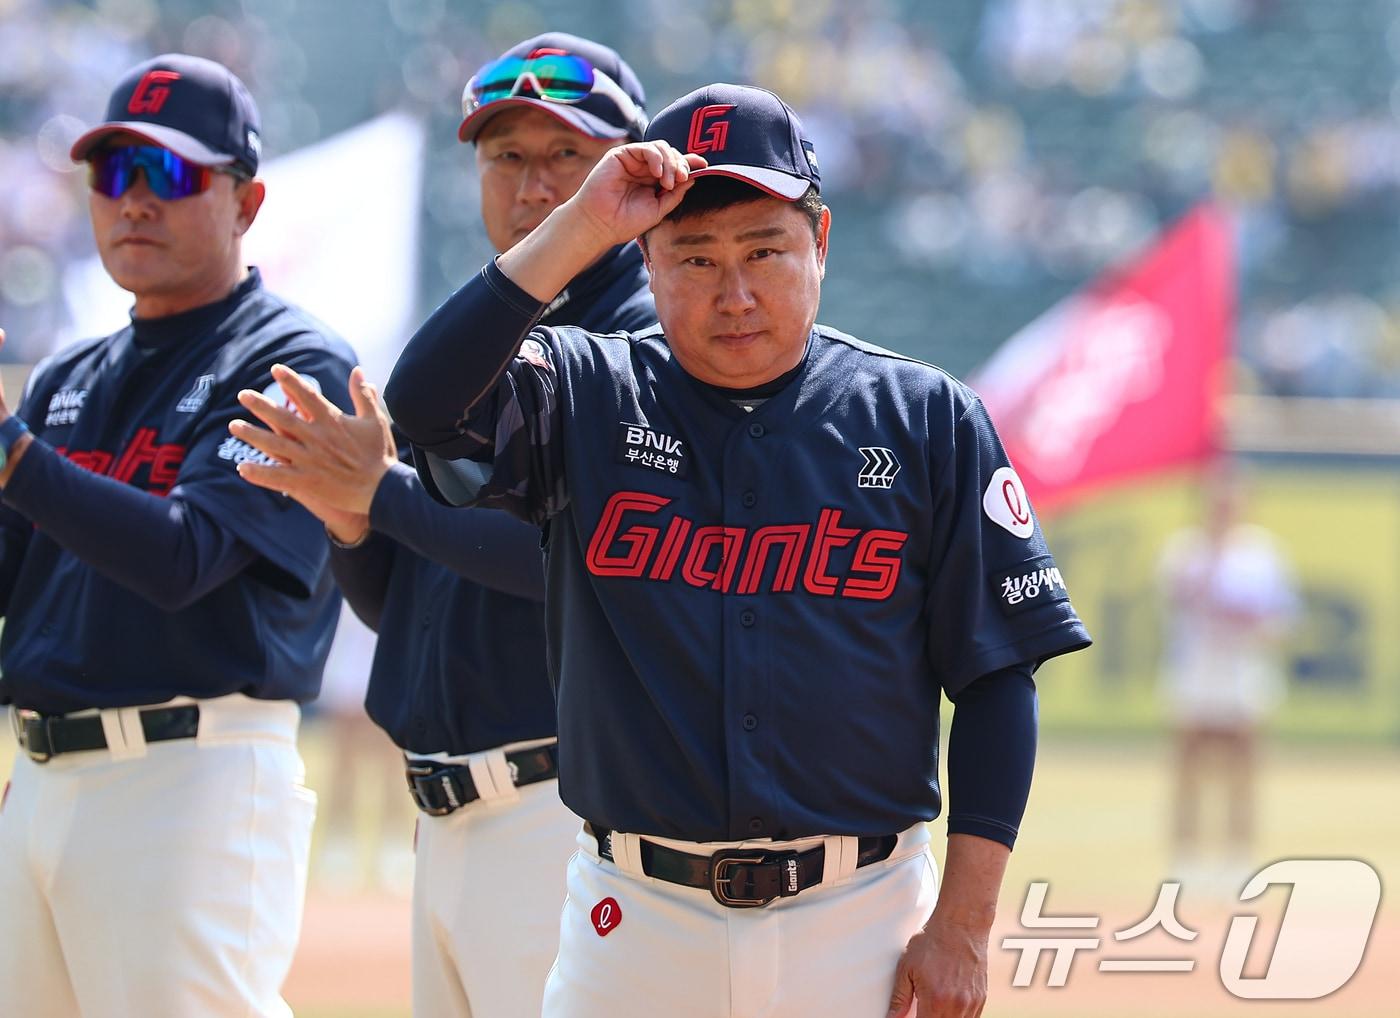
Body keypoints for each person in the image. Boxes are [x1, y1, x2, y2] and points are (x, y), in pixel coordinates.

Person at [380, 83, 1092, 1017]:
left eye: (765, 250)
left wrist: (961, 925)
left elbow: (998, 679)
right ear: (644, 255)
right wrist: (578, 226)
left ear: (821, 242)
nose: (735, 293)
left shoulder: (925, 418)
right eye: (694, 257)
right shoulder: (590, 389)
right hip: (632, 923)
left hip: (861, 918)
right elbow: (428, 406)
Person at [227, 34, 655, 1018]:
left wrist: (384, 496)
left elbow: (580, 562)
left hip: (569, 813)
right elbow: (409, 608)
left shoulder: (645, 338)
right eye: (506, 156)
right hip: (450, 820)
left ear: (628, 172)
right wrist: (351, 525)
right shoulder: (479, 345)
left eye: (564, 154)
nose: (533, 183)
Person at [0, 54, 355, 1018]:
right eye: (114, 174)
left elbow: (184, 557)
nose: (134, 202)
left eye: (168, 174)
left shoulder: (292, 362)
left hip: (185, 777)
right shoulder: (68, 375)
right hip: (40, 774)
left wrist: (15, 458)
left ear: (247, 201)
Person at [1158, 464, 1297, 880]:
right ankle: (1186, 861)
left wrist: (1255, 622)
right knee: (1190, 766)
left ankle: (1237, 861)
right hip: (1196, 671)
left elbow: (1280, 617)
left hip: (1243, 673)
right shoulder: (1185, 551)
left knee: (1242, 768)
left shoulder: (1261, 552)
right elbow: (1177, 599)